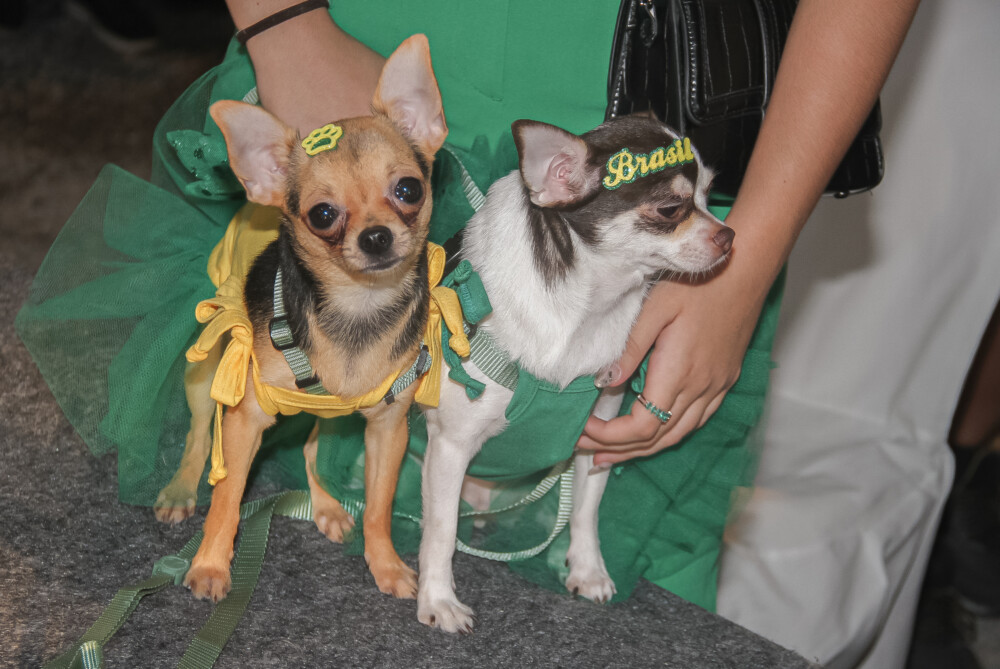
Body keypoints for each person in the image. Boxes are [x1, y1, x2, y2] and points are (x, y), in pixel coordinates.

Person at [15, 0, 920, 636]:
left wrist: (743, 260)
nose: (371, 227)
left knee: (625, 614)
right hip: (350, 45)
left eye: (403, 200)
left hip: (646, 130)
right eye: (328, 216)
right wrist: (282, 22)